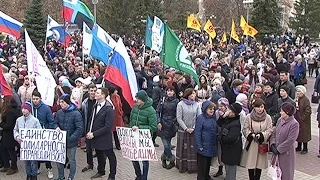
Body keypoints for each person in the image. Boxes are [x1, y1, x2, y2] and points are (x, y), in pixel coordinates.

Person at [87, 87, 117, 179]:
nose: (95, 94)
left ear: (103, 95)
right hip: (95, 136)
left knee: (110, 156)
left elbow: (108, 127)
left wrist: (94, 134)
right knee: (99, 154)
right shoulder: (95, 105)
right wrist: (89, 131)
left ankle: (112, 175)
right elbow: (91, 119)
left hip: (104, 137)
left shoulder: (108, 108)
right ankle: (101, 170)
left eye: (98, 93)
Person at [240, 98, 273, 180]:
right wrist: (250, 135)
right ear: (254, 107)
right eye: (258, 107)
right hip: (252, 143)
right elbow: (245, 128)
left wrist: (262, 135)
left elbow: (269, 129)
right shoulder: (249, 117)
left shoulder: (267, 117)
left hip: (261, 143)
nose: (260, 109)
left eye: (262, 107)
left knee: (259, 164)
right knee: (250, 163)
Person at [54, 94, 83, 180]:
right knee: (59, 160)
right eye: (60, 102)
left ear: (67, 102)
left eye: (62, 102)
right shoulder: (59, 112)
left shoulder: (76, 113)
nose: (61, 104)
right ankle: (61, 176)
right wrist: (56, 127)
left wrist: (71, 138)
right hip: (60, 141)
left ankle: (71, 177)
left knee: (72, 160)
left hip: (71, 141)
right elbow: (55, 122)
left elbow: (80, 128)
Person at [129, 90, 157, 180]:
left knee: (145, 160)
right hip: (134, 137)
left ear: (143, 100)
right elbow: (131, 120)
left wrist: (140, 127)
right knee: (134, 158)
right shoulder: (134, 107)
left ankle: (144, 178)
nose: (136, 100)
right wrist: (131, 128)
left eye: (138, 99)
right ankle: (138, 175)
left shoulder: (151, 111)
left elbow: (153, 127)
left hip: (144, 138)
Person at [270, 102, 299, 180]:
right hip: (276, 153)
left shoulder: (294, 124)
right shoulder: (280, 120)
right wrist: (272, 144)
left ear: (287, 112)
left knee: (285, 175)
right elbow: (274, 133)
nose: (280, 112)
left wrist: (279, 150)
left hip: (286, 154)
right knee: (275, 175)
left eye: (282, 111)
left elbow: (291, 140)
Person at [13, 102, 42, 180]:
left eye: (25, 109)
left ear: (29, 110)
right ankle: (28, 174)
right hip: (23, 145)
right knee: (26, 161)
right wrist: (17, 137)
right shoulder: (19, 120)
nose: (23, 110)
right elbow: (15, 130)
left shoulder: (35, 120)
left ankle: (34, 175)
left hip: (33, 146)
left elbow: (40, 131)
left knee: (33, 161)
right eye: (22, 108)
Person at [30, 91, 55, 178]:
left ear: (40, 99)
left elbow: (51, 121)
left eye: (37, 99)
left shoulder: (46, 108)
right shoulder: (30, 107)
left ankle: (49, 168)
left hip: (44, 134)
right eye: (33, 99)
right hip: (33, 135)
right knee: (36, 152)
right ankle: (37, 168)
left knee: (46, 153)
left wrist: (48, 131)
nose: (35, 101)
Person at [176, 88, 201, 173]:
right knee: (183, 148)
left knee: (192, 149)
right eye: (191, 94)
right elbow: (179, 118)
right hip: (183, 130)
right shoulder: (180, 104)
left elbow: (199, 117)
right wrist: (186, 128)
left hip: (193, 130)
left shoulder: (197, 105)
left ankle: (192, 167)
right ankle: (182, 166)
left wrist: (193, 128)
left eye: (194, 94)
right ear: (187, 95)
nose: (193, 95)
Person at [217, 103, 243, 180]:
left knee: (231, 173)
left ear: (233, 112)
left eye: (228, 109)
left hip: (232, 151)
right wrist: (223, 116)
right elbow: (219, 123)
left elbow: (231, 138)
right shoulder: (228, 120)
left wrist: (220, 137)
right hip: (227, 150)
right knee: (227, 171)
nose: (226, 111)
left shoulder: (235, 124)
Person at [156, 86, 179, 169]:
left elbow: (178, 114)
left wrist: (174, 122)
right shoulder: (162, 100)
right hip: (162, 125)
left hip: (171, 126)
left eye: (171, 91)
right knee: (166, 145)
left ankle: (164, 158)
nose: (169, 92)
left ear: (174, 92)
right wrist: (158, 121)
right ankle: (172, 160)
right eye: (168, 90)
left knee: (168, 144)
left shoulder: (176, 101)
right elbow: (157, 111)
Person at [195, 101, 217, 180]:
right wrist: (199, 145)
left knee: (208, 163)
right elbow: (197, 132)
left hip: (211, 145)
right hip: (203, 145)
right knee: (202, 165)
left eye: (213, 109)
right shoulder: (201, 118)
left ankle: (206, 176)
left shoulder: (213, 117)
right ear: (205, 109)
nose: (212, 110)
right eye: (210, 109)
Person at [0, 97, 21, 175]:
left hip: (9, 135)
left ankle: (14, 167)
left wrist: (1, 124)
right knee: (3, 149)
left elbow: (8, 125)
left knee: (11, 151)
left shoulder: (10, 112)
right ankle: (6, 165)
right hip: (7, 134)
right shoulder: (12, 110)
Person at [81, 84, 97, 172]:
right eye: (91, 91)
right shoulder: (85, 103)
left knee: (99, 149)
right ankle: (89, 164)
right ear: (88, 91)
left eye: (95, 91)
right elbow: (83, 115)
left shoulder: (99, 102)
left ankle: (101, 167)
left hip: (97, 128)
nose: (93, 93)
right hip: (88, 127)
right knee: (89, 148)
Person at [212, 98, 229, 178]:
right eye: (219, 106)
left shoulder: (229, 113)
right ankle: (220, 169)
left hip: (226, 136)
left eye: (222, 106)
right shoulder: (216, 113)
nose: (220, 108)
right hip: (218, 135)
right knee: (219, 154)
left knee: (226, 154)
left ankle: (228, 172)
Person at [295, 85, 312, 154]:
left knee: (304, 135)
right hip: (298, 119)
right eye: (297, 91)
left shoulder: (306, 100)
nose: (298, 93)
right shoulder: (297, 99)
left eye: (299, 91)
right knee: (299, 134)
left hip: (304, 121)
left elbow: (308, 111)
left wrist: (303, 118)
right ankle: (299, 147)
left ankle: (305, 148)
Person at [109, 86, 124, 150]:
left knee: (117, 131)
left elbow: (120, 105)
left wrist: (121, 112)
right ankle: (109, 144)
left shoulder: (118, 96)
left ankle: (118, 144)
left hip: (118, 116)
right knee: (110, 131)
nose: (117, 92)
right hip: (111, 116)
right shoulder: (108, 98)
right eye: (115, 91)